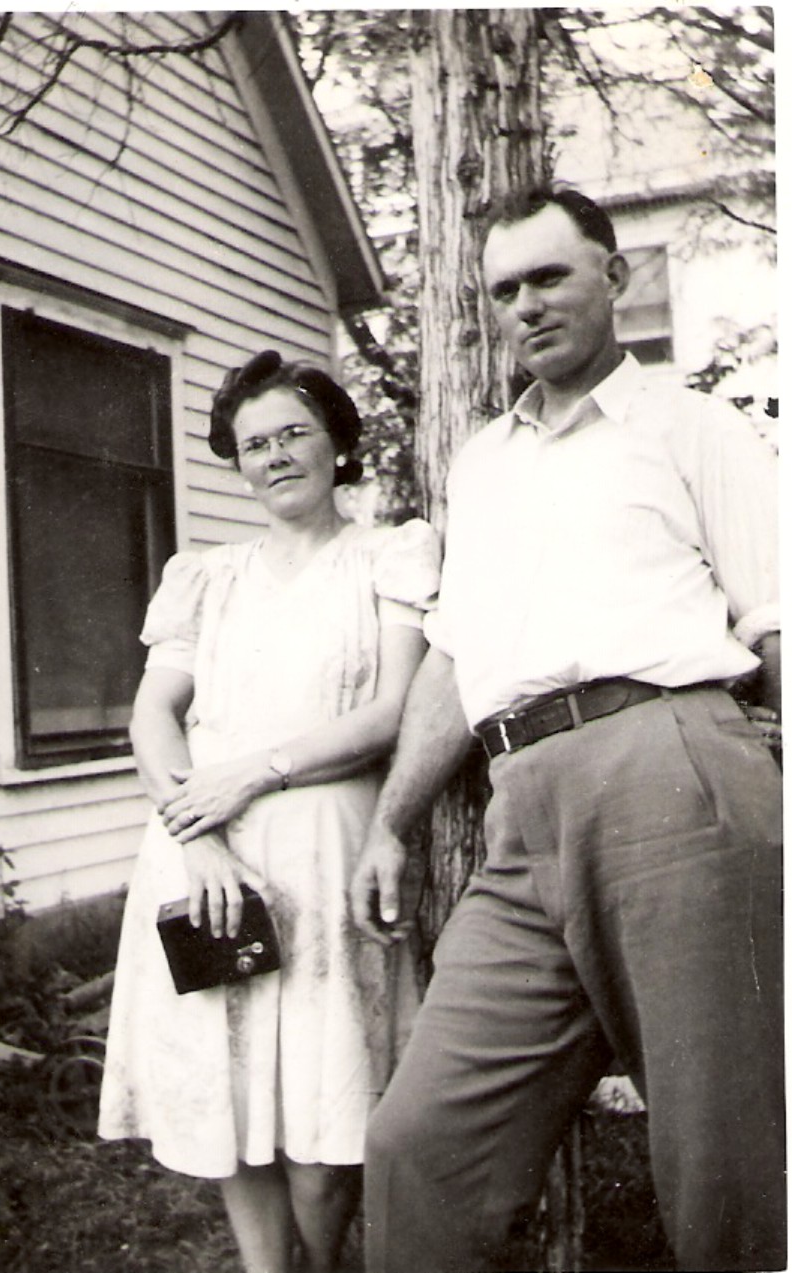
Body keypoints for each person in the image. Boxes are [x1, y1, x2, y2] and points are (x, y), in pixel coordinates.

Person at [350, 187, 783, 1273]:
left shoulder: (689, 426)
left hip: (673, 778)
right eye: (505, 289)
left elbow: (776, 622)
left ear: (614, 277)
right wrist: (391, 823)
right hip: (521, 813)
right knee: (417, 1148)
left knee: (725, 1166)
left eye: (550, 276)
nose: (527, 305)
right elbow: (455, 657)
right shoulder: (483, 463)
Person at [98, 350, 440, 1273]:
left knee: (328, 1113)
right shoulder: (205, 577)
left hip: (327, 851)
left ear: (337, 443)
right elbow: (152, 715)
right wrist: (197, 834)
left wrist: (255, 771)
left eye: (294, 432)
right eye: (255, 444)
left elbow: (393, 710)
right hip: (203, 853)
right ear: (237, 463)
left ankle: (322, 1263)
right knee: (232, 1091)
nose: (276, 455)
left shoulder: (389, 554)